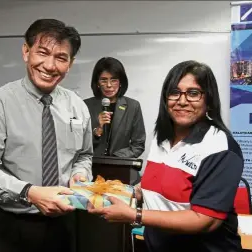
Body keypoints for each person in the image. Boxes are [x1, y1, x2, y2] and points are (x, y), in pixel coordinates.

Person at [89, 60, 244, 252]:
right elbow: (159, 185)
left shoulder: (220, 147)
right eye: (174, 92)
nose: (182, 101)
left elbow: (203, 220)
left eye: (193, 93)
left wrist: (134, 215)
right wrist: (130, 191)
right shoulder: (162, 137)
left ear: (209, 99)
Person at [0, 19, 93, 252]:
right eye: (42, 53)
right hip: (10, 226)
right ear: (26, 51)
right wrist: (29, 193)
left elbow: (84, 155)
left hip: (63, 225)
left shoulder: (77, 106)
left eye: (61, 57)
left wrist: (80, 174)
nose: (49, 65)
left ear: (70, 63)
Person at [84, 57, 146, 184]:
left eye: (114, 80)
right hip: (91, 170)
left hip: (122, 170)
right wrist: (97, 130)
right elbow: (79, 145)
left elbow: (138, 145)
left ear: (121, 82)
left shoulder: (133, 106)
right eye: (103, 80)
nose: (109, 85)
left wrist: (116, 158)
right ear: (97, 82)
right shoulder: (85, 105)